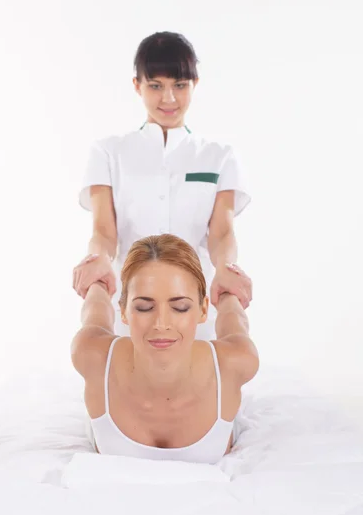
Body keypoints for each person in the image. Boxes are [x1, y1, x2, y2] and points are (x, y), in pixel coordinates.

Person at [74, 30, 253, 340]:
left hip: (196, 310)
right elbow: (104, 232)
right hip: (131, 311)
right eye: (155, 86)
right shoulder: (108, 153)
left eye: (179, 85)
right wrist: (98, 260)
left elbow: (222, 233)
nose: (168, 99)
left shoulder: (219, 157)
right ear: (137, 85)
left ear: (194, 84)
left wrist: (228, 267)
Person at [71, 234, 259, 464]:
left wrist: (228, 283)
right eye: (144, 307)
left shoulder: (236, 362)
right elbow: (97, 307)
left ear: (203, 310)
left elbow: (232, 317)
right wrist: (98, 277)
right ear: (123, 310)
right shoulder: (92, 355)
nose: (161, 324)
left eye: (179, 307)